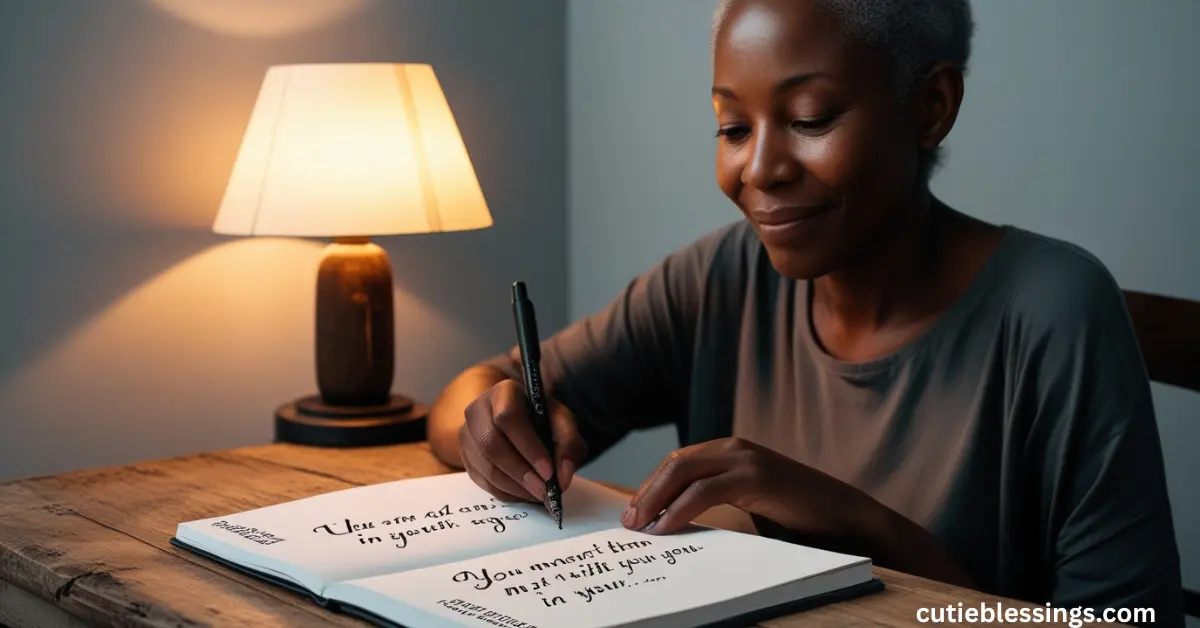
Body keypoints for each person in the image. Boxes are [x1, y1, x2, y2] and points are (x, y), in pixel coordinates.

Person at [427, 0, 1184, 623]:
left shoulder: (1055, 310)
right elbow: (479, 388)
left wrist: (850, 522)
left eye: (812, 118)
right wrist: (492, 427)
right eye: (732, 128)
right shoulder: (723, 276)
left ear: (931, 107)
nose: (760, 169)